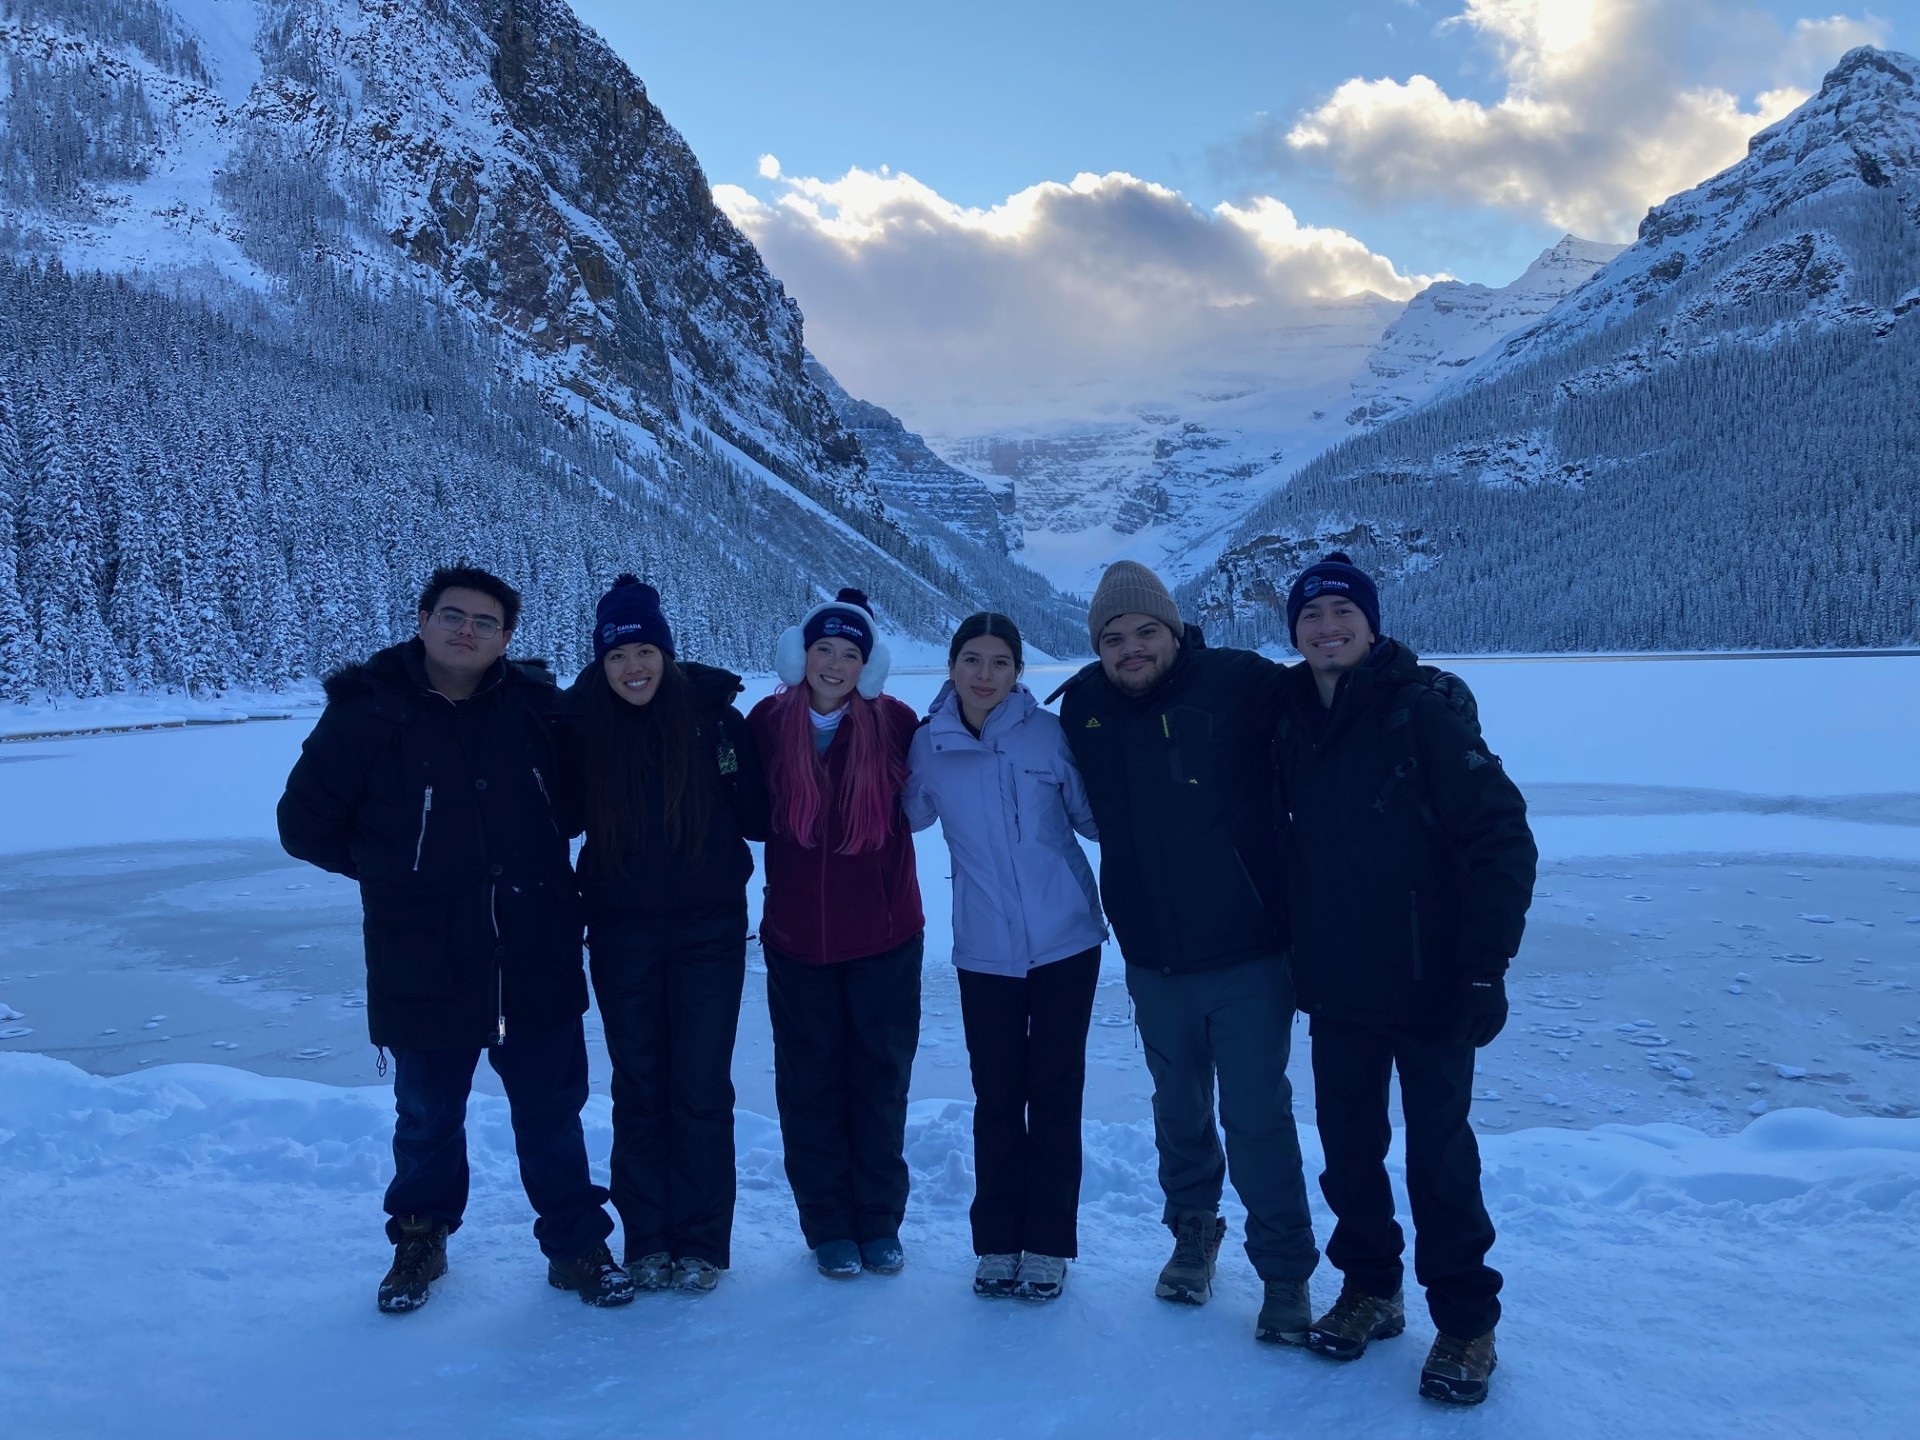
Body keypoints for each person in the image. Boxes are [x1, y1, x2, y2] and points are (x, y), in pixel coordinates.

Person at [276, 565, 633, 1313]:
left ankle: (575, 1244)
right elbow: (304, 825)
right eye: (452, 615)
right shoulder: (368, 713)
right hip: (422, 956)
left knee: (552, 1113)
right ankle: (420, 1238)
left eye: (484, 622)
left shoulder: (536, 709)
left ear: (506, 637)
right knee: (427, 1116)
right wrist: (398, 872)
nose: (466, 631)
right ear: (423, 620)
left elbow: (579, 803)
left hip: (535, 948)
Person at [1271, 552, 1536, 1406]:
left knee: (1440, 1161)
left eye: (1342, 613)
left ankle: (1465, 1323)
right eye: (1311, 616)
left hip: (1433, 986)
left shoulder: (1423, 712)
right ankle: (1371, 1290)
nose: (1327, 628)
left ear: (1372, 623)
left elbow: (1503, 838)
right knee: (1349, 1154)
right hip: (1338, 983)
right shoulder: (1290, 716)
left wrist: (1486, 969)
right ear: (1294, 632)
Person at [1054, 560, 1319, 1344]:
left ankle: (1285, 1271)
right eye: (1113, 638)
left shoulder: (1239, 683)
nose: (1131, 649)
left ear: (1174, 631)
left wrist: (1419, 689)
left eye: (1146, 632)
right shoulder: (1084, 708)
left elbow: (1331, 693)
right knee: (1178, 1109)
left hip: (1248, 953)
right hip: (1152, 957)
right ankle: (1193, 1231)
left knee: (1255, 1115)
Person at [567, 575, 770, 1295]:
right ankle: (649, 1239)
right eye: (618, 655)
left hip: (709, 931)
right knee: (640, 1087)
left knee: (701, 1087)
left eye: (645, 651)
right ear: (601, 662)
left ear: (666, 654)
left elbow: (759, 815)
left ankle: (702, 1244)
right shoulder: (580, 724)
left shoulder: (713, 719)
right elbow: (556, 815)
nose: (634, 667)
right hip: (620, 931)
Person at [904, 613, 1107, 1302]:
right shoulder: (930, 744)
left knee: (1054, 1094)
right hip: (984, 948)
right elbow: (905, 815)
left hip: (1066, 939)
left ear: (1018, 671)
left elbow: (1092, 817)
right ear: (951, 667)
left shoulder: (1047, 734)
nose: (984, 674)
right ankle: (996, 1243)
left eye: (999, 661)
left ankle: (1047, 1245)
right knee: (995, 1097)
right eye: (971, 659)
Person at [749, 587, 925, 1279]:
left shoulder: (896, 722)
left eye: (850, 654)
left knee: (880, 1081)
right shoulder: (769, 722)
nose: (834, 664)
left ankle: (878, 1221)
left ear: (868, 665)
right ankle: (828, 1226)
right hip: (797, 940)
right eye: (823, 648)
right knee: (809, 1085)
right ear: (800, 655)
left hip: (885, 935)